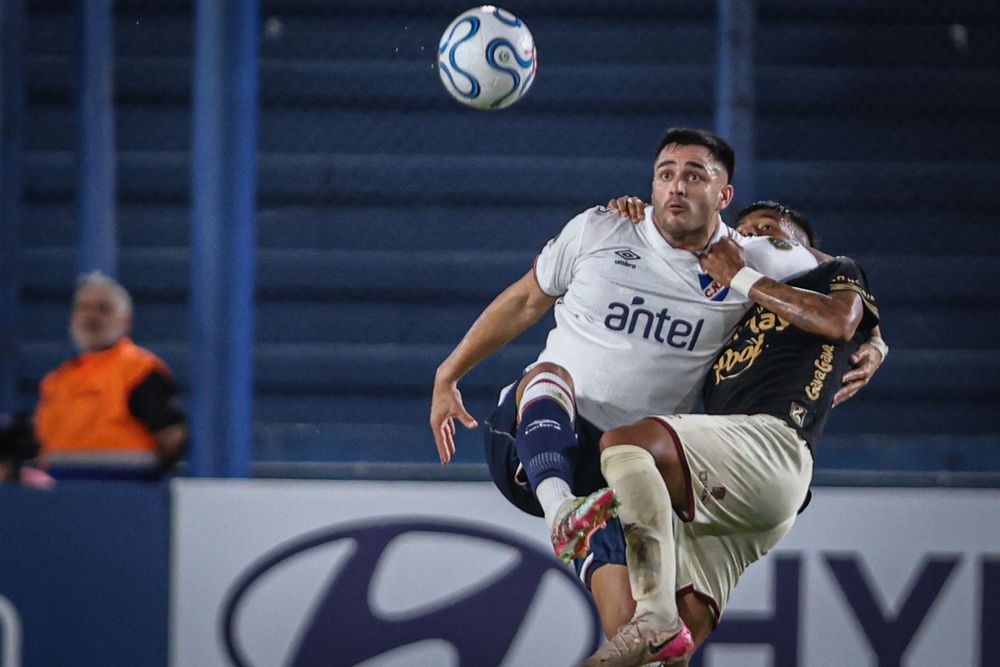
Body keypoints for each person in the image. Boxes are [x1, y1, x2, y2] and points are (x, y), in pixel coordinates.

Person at [431, 127, 832, 562]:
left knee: (639, 621)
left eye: (695, 176)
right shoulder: (601, 229)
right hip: (529, 444)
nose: (677, 185)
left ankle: (594, 544)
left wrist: (873, 340)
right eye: (665, 174)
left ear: (724, 195)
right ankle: (560, 512)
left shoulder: (749, 259)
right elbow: (526, 299)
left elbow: (844, 280)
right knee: (548, 375)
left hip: (625, 476)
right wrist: (448, 373)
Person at [579, 202, 880, 665]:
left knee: (624, 445)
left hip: (772, 447)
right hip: (733, 493)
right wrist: (635, 215)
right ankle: (659, 620)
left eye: (768, 232)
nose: (749, 239)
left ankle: (657, 614)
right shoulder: (727, 311)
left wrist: (742, 272)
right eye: (741, 231)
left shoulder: (831, 274)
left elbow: (840, 321)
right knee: (656, 653)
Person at [33, 271, 187, 479]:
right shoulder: (57, 379)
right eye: (84, 307)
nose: (91, 316)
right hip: (60, 492)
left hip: (124, 489)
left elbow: (172, 438)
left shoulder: (140, 370)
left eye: (103, 308)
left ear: (125, 321)